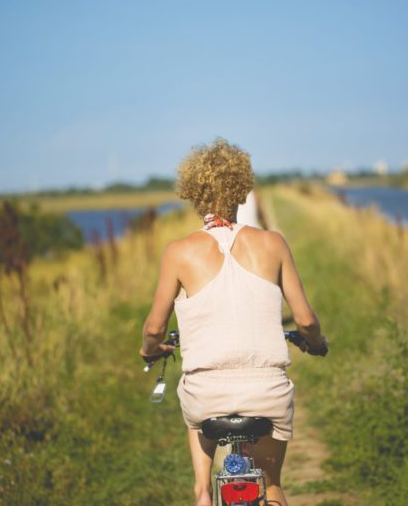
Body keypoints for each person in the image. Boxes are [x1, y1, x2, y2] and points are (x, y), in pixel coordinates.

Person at [140, 138, 328, 506]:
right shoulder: (273, 243)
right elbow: (305, 319)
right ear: (242, 191)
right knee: (272, 486)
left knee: (196, 409)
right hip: (266, 392)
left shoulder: (178, 252)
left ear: (193, 194)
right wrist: (317, 343)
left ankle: (202, 493)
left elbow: (153, 330)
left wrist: (150, 350)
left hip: (205, 396)